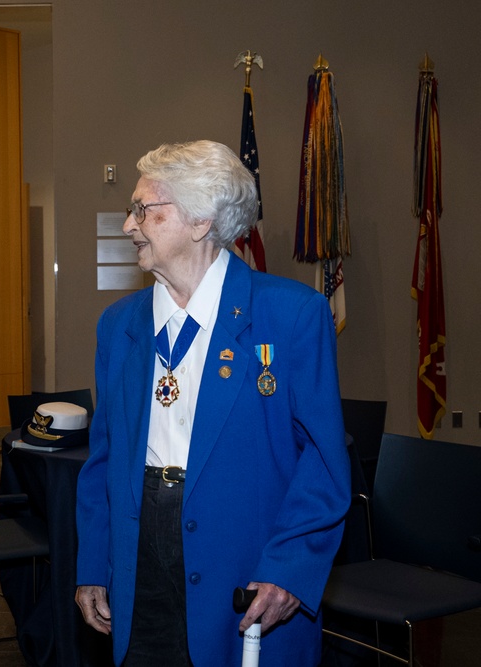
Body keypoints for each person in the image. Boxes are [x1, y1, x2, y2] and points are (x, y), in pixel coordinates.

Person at [74, 140, 350, 666]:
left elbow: (323, 462)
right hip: (139, 566)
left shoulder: (292, 317)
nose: (129, 226)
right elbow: (103, 458)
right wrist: (93, 562)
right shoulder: (118, 327)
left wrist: (290, 567)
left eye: (143, 210)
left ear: (200, 221)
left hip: (245, 566)